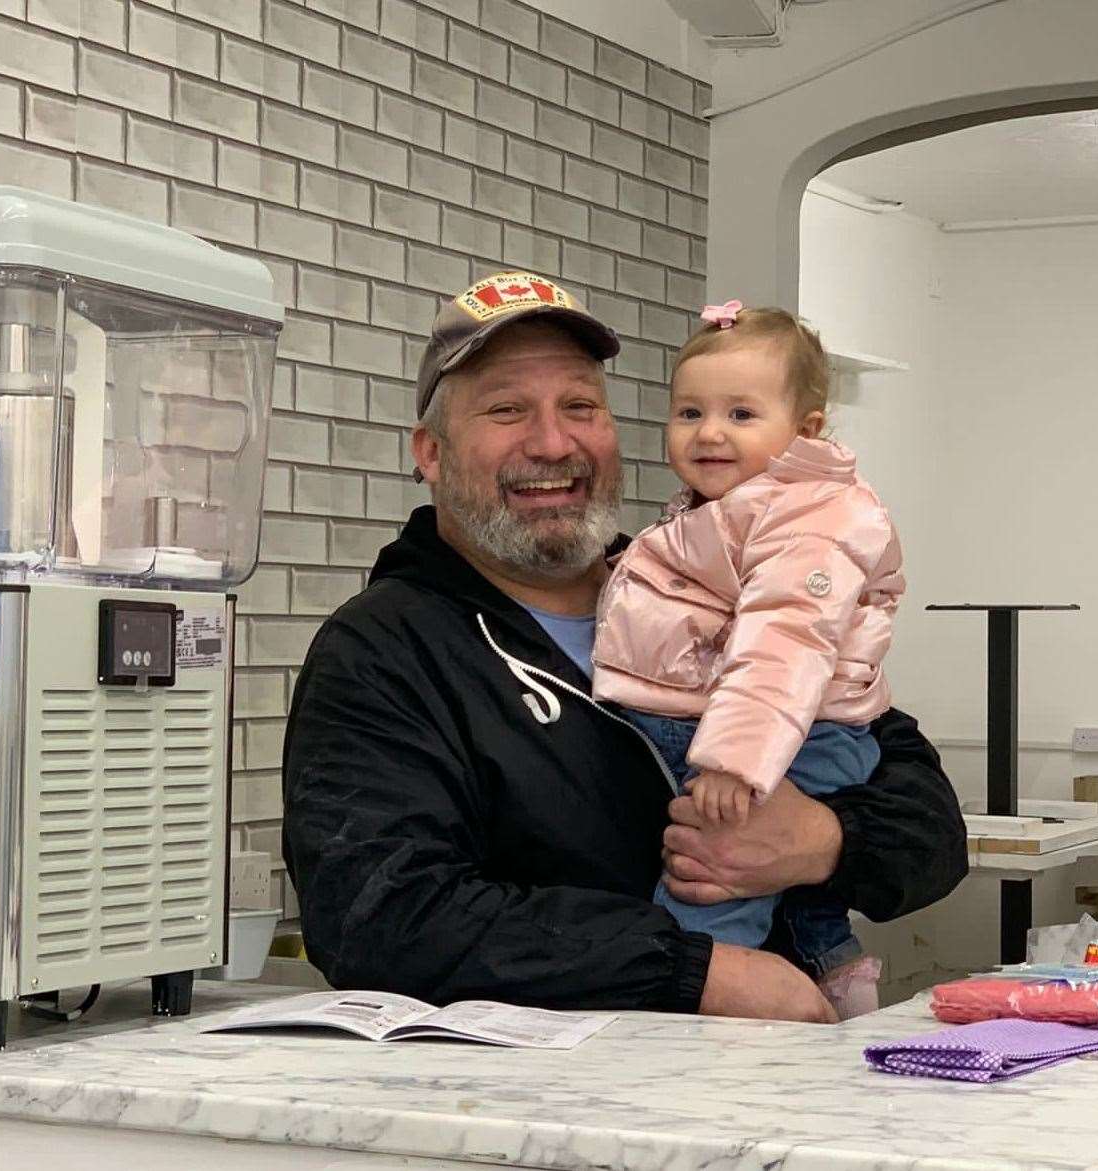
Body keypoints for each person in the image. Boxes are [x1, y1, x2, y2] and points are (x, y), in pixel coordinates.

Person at [281, 271, 966, 1023]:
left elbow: (931, 823)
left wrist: (826, 840)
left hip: (773, 1081)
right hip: (547, 1111)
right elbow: (382, 918)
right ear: (432, 453)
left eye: (580, 406)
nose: (553, 442)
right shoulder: (383, 651)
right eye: (507, 409)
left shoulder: (703, 581)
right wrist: (695, 971)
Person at [592, 301, 901, 1018]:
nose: (709, 433)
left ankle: (702, 1024)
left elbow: (784, 638)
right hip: (777, 729)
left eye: (740, 415)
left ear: (807, 431)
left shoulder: (807, 514)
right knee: (768, 876)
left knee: (710, 877)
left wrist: (737, 757)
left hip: (786, 736)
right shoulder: (730, 507)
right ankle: (835, 966)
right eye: (690, 411)